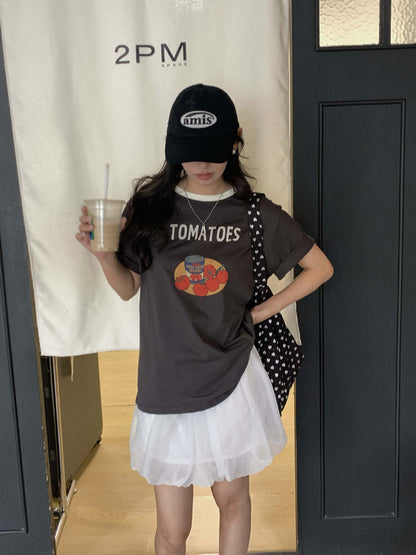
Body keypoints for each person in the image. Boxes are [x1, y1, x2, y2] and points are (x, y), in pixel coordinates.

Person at [76, 84, 333, 555]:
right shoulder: (149, 208)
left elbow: (320, 267)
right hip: (166, 382)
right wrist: (103, 255)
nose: (203, 164)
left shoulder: (254, 214)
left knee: (231, 498)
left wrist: (261, 311)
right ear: (174, 149)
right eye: (192, 152)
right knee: (173, 530)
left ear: (235, 142)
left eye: (214, 150)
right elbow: (129, 288)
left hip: (230, 377)